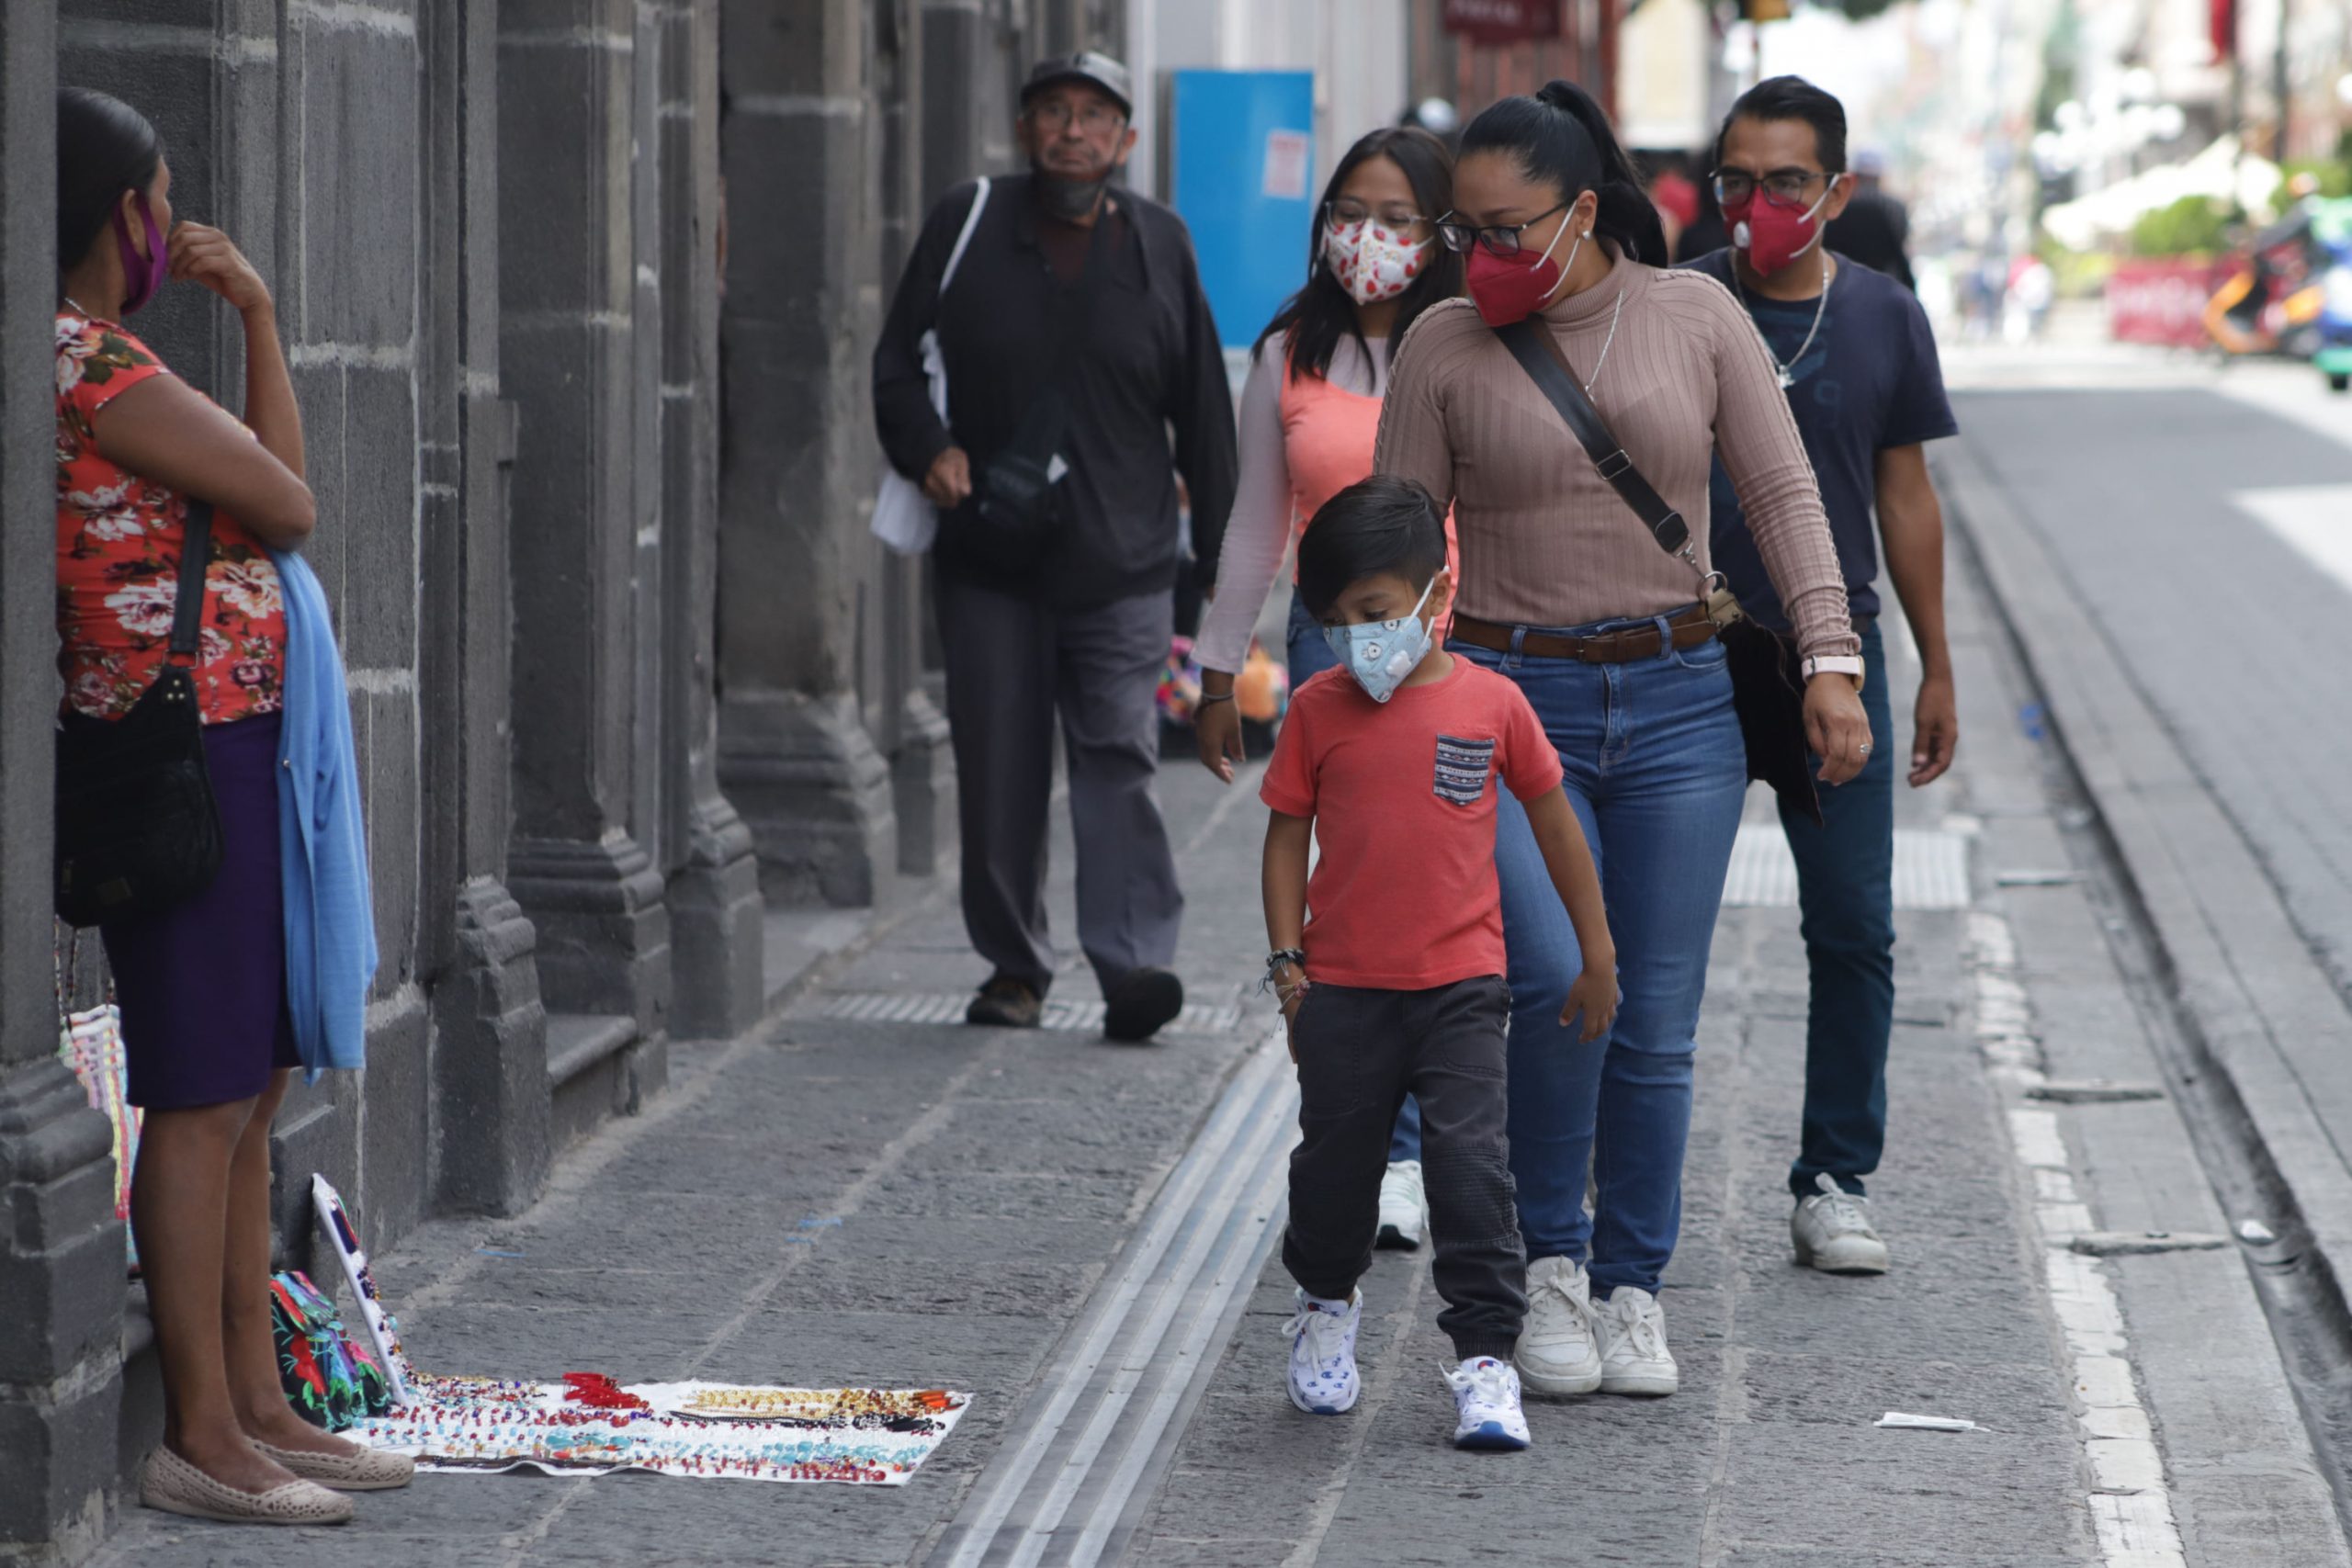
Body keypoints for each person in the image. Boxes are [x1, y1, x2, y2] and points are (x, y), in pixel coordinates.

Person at [1375, 79, 1871, 1401]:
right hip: (1501, 696)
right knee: (1553, 984)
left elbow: (1781, 494)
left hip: (1677, 705)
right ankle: (1550, 1262)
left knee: (1652, 1016)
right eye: (1461, 232)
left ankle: (1633, 1285)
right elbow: (1399, 542)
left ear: (1582, 212)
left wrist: (1832, 659)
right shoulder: (1439, 344)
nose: (1481, 257)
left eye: (1506, 228)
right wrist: (1377, 689)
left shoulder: (1693, 315)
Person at [53, 86, 404, 1526]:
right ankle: (200, 1430)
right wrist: (253, 319)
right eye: (164, 193)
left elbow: (279, 492)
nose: (174, 221)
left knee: (250, 1086)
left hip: (232, 732)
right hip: (181, 748)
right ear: (119, 209)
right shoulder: (89, 362)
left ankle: (259, 1400)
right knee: (201, 1096)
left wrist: (255, 317)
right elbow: (291, 499)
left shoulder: (111, 354)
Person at [872, 51, 1237, 1042]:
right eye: (1052, 112)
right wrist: (930, 451)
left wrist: (1214, 579)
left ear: (1123, 141)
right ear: (1026, 129)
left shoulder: (1161, 243)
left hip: (1122, 564)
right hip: (990, 559)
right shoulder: (967, 221)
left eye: (1093, 115)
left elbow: (1203, 414)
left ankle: (1131, 967)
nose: (1071, 130)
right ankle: (1014, 968)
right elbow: (896, 364)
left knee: (1119, 756)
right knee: (999, 766)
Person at [1261, 476, 1618, 1451]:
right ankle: (1325, 1304)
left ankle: (1487, 1361)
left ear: (1435, 592)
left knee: (1470, 1174)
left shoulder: (1493, 706)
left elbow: (1555, 831)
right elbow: (1286, 837)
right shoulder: (1316, 711)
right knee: (1336, 1172)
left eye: (1374, 613)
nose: (1356, 638)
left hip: (1462, 993)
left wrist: (1595, 956)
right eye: (1335, 621)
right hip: (1342, 995)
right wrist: (1288, 966)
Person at [1682, 76, 1961, 1275]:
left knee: (1852, 926)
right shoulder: (1682, 298)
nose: (1758, 203)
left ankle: (1835, 1175)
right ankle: (1608, 1176)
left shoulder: (1885, 315)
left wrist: (1935, 661)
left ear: (1837, 191)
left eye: (1786, 181)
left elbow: (1905, 495)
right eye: (1737, 179)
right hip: (1687, 659)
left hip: (1833, 666)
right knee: (1650, 935)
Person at [1193, 125, 1461, 1250]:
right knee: (1349, 889)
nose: (1370, 238)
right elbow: (1256, 520)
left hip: (1453, 645)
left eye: (1398, 218)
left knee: (1440, 888)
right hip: (1324, 644)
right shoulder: (1287, 351)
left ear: (1438, 234)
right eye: (1351, 211)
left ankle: (1444, 1133)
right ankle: (1382, 1152)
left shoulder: (1468, 344)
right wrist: (1216, 670)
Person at [1825, 148, 1917, 293]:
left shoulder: (1840, 205)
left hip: (1844, 287)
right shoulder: (1895, 207)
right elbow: (1902, 247)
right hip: (1889, 286)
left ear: (1853, 176)